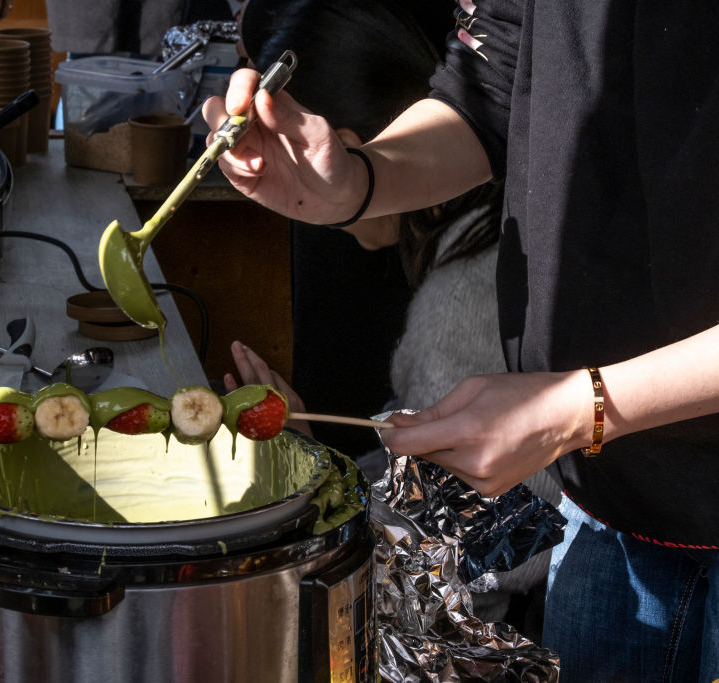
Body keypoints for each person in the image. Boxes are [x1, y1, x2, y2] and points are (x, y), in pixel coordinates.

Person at [204, 2, 719, 680]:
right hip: (612, 500)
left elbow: (451, 548)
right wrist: (357, 179)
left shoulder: (454, 315)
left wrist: (582, 405)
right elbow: (498, 70)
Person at [232, 0, 560, 631]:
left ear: (342, 148)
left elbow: (470, 544)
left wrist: (309, 480)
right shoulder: (485, 239)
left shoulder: (463, 302)